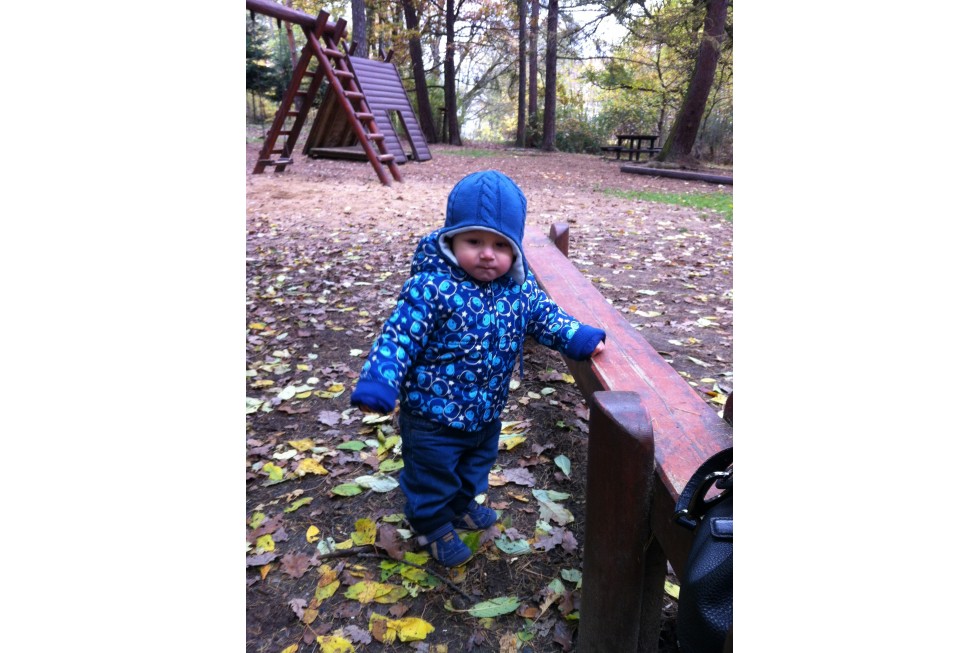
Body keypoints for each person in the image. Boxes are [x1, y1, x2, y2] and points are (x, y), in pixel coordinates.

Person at [351, 170, 606, 567]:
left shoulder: (520, 289)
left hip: (485, 410)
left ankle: (460, 505)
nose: (488, 254)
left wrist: (578, 337)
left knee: (476, 464)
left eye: (500, 244)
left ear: (515, 249)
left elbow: (547, 317)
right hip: (432, 415)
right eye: (474, 241)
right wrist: (379, 382)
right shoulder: (431, 288)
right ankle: (430, 523)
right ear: (451, 240)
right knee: (432, 473)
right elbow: (399, 337)